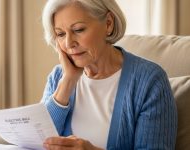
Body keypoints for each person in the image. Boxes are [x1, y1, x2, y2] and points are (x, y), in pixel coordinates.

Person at [40, 0, 177, 149]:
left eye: (78, 30)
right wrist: (67, 81)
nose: (68, 43)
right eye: (60, 34)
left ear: (109, 24)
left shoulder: (150, 81)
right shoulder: (58, 77)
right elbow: (38, 141)